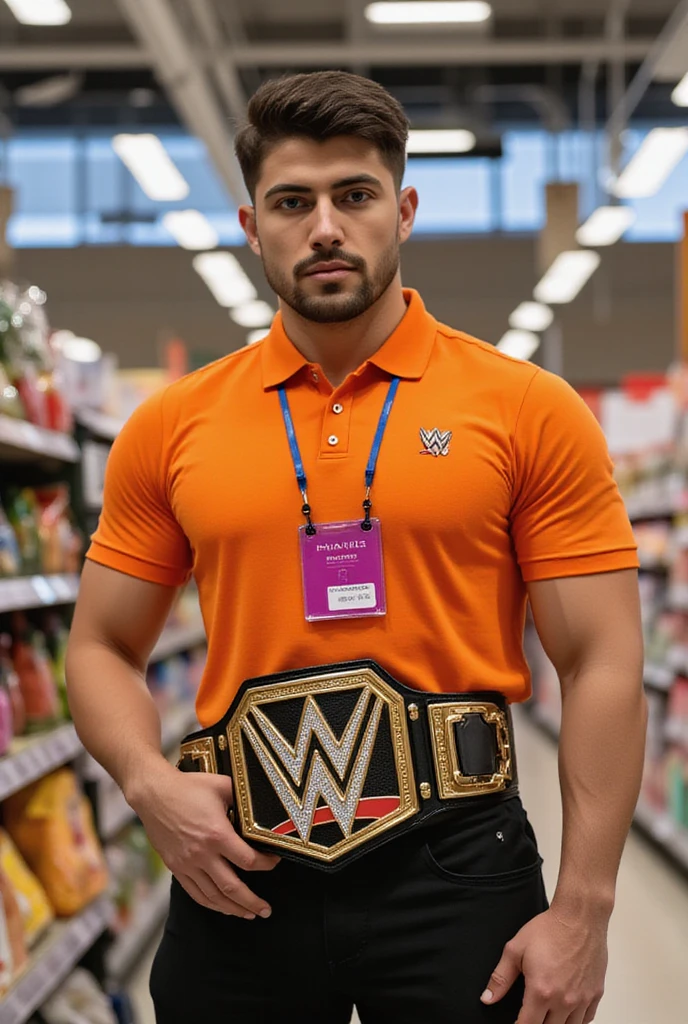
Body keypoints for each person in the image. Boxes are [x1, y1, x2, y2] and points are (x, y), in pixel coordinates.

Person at [66, 70, 646, 1024]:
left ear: (403, 210)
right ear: (253, 228)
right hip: (239, 866)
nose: (324, 227)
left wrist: (585, 908)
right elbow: (98, 645)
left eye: (355, 196)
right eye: (292, 202)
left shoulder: (527, 410)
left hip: (460, 866)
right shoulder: (170, 426)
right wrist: (147, 784)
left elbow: (603, 659)